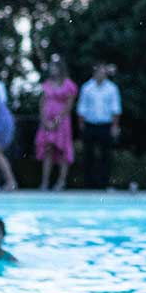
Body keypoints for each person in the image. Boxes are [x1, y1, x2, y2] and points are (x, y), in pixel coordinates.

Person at [34, 56, 78, 191]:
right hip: (47, 123)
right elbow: (42, 104)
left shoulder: (68, 85)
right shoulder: (46, 85)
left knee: (63, 150)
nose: (52, 70)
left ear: (60, 69)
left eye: (54, 67)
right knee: (48, 150)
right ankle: (45, 182)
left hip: (61, 123)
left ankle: (61, 181)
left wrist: (57, 121)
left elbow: (68, 106)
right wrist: (45, 121)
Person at [75, 62, 121, 190]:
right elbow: (81, 108)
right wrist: (82, 125)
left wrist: (115, 126)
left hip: (105, 125)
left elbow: (115, 109)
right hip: (90, 125)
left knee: (106, 155)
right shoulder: (87, 88)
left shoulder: (112, 88)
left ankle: (104, 183)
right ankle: (89, 184)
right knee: (88, 155)